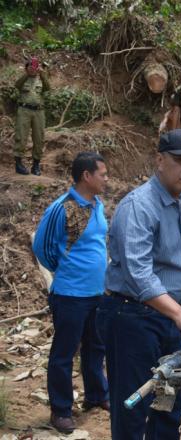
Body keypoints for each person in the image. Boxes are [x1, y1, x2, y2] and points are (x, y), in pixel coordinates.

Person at [98, 129, 181, 440]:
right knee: (134, 407)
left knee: (168, 404)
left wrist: (179, 313)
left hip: (168, 317)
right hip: (132, 316)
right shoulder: (139, 206)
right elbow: (138, 274)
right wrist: (180, 315)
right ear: (160, 160)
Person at [32, 152, 109, 434]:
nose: (106, 178)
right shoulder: (61, 208)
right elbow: (42, 248)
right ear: (86, 176)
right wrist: (66, 270)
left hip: (97, 293)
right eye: (102, 173)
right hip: (70, 295)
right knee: (64, 353)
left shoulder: (98, 204)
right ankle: (61, 410)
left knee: (95, 347)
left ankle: (97, 395)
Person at [14, 57, 50, 176]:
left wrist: (42, 74)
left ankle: (36, 166)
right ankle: (18, 164)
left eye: (35, 66)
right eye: (31, 66)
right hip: (24, 110)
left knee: (39, 138)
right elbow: (17, 85)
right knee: (21, 136)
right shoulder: (23, 79)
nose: (33, 68)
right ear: (27, 67)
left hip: (39, 112)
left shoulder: (41, 80)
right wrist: (26, 73)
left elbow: (48, 88)